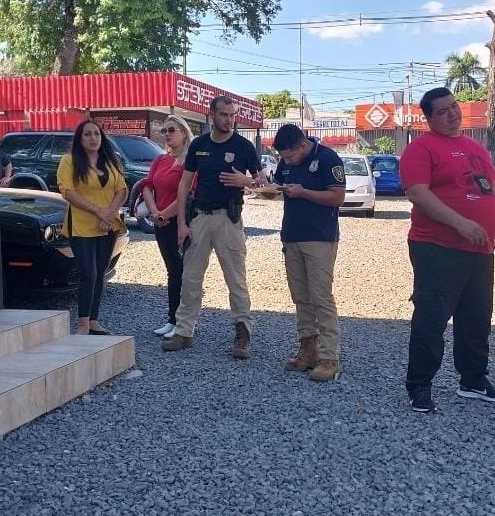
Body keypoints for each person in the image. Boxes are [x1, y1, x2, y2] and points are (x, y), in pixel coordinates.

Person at [402, 87, 495, 413]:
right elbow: (418, 194)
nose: (452, 114)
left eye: (453, 107)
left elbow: (491, 184)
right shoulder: (422, 148)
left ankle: (472, 379)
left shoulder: (474, 146)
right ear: (428, 118)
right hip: (437, 246)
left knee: (476, 316)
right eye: (442, 111)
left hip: (480, 248)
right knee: (432, 317)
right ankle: (420, 385)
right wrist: (460, 223)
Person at [162, 96, 266, 359]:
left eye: (232, 115)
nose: (229, 120)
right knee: (190, 278)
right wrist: (182, 225)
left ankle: (243, 333)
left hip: (228, 220)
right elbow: (184, 185)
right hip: (199, 218)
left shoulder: (244, 146)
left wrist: (247, 181)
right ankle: (184, 331)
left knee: (236, 279)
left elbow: (267, 187)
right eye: (224, 115)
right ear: (211, 115)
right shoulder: (199, 145)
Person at [271, 124, 345, 382]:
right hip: (292, 235)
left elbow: (337, 197)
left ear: (302, 145)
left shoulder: (327, 158)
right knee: (300, 297)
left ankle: (329, 357)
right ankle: (308, 350)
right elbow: (279, 186)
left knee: (321, 297)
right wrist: (266, 190)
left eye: (289, 156)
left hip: (320, 237)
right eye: (283, 157)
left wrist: (303, 192)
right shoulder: (287, 161)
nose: (286, 161)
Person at [57, 119, 128, 336]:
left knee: (99, 274)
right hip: (82, 226)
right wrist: (98, 211)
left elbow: (122, 189)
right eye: (87, 134)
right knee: (87, 273)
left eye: (96, 134)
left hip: (107, 226)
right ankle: (82, 323)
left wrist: (108, 215)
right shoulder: (69, 161)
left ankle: (94, 320)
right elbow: (67, 191)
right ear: (80, 138)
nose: (93, 138)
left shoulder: (110, 161)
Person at [137, 115, 195, 338]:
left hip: (179, 223)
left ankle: (184, 321)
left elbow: (188, 191)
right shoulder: (160, 160)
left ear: (183, 132)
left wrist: (166, 214)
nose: (167, 134)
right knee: (172, 271)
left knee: (184, 272)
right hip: (161, 223)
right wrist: (155, 213)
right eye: (165, 131)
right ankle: (172, 319)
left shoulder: (190, 162)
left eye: (172, 130)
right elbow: (147, 186)